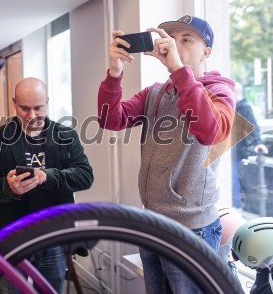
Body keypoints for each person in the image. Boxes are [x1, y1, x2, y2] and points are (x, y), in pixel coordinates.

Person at [97, 15, 235, 293]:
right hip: (153, 221)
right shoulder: (156, 92)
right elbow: (109, 120)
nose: (177, 45)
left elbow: (210, 131)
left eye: (187, 40)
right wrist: (115, 73)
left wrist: (177, 69)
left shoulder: (220, 91)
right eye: (174, 39)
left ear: (206, 51)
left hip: (191, 228)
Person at [0, 77, 94, 293]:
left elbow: (85, 176)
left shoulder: (65, 135)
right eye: (24, 108)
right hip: (12, 234)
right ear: (14, 103)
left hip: (52, 234)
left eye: (38, 108)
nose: (31, 116)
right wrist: (7, 187)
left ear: (47, 102)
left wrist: (47, 176)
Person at [232, 82, 268, 210]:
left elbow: (253, 127)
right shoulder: (237, 107)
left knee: (233, 178)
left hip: (237, 151)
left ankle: (236, 207)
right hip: (234, 150)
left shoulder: (244, 108)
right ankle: (236, 206)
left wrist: (258, 143)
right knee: (232, 178)